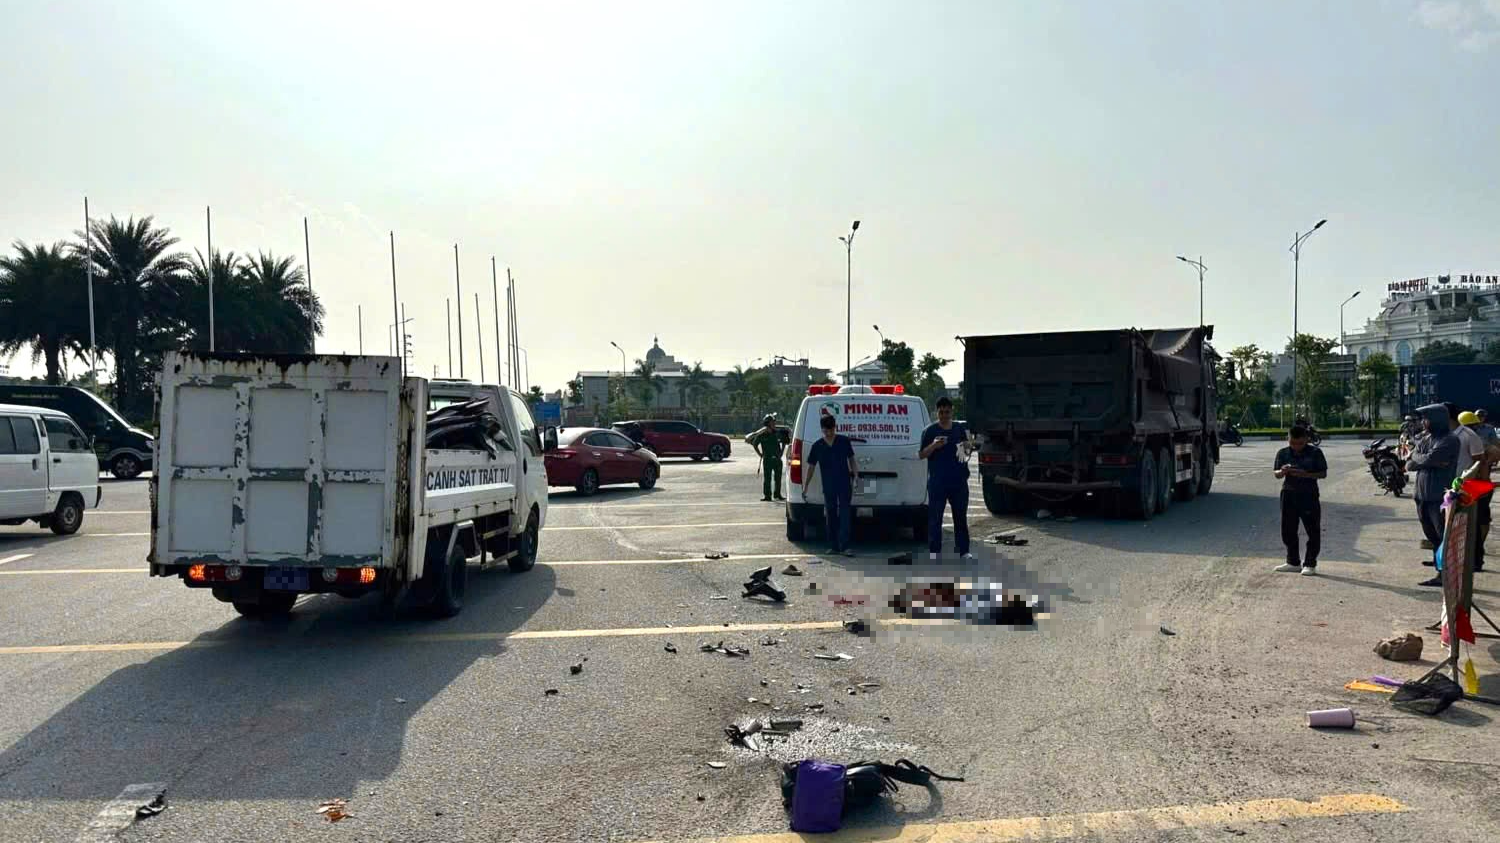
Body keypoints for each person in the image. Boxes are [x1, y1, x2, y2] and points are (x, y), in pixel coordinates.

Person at [1406, 402, 1459, 587]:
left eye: (1426, 419)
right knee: (1432, 536)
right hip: (1422, 496)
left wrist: (1422, 459)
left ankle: (1445, 574)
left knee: (1443, 536)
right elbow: (1409, 462)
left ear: (1436, 419)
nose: (1424, 423)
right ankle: (1440, 570)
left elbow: (1426, 458)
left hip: (1438, 497)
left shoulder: (1449, 440)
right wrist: (1424, 460)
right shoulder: (1427, 439)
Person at [919, 396, 974, 560]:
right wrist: (934, 445)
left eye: (947, 412)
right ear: (937, 412)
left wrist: (967, 446)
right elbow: (921, 455)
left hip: (958, 482)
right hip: (938, 482)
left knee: (960, 518)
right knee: (935, 518)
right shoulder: (930, 431)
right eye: (941, 412)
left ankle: (963, 551)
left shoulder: (958, 429)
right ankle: (935, 552)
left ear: (952, 411)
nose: (944, 415)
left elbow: (965, 454)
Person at [1273, 424, 1328, 576]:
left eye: (1300, 443)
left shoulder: (1315, 452)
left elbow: (1323, 473)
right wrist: (1282, 471)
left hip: (1308, 494)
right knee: (1288, 530)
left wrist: (1306, 474)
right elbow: (1276, 473)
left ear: (1306, 440)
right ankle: (1293, 561)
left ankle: (1310, 563)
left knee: (1312, 530)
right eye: (1292, 443)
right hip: (1288, 493)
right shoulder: (1283, 453)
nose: (1296, 446)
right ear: (1288, 439)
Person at [803, 412, 858, 557]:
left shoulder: (843, 441)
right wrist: (806, 485)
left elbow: (851, 459)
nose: (829, 433)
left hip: (844, 484)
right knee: (831, 514)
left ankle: (845, 546)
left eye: (831, 430)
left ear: (835, 427)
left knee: (845, 514)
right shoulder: (818, 446)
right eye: (826, 430)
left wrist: (856, 475)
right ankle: (833, 546)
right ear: (822, 429)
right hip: (828, 485)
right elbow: (811, 467)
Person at [1461, 409, 1493, 573]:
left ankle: (1476, 557)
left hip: (1477, 486)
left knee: (1477, 521)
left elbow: (1483, 463)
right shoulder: (1472, 438)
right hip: (1476, 485)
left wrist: (1484, 482)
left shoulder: (1476, 439)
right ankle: (1474, 554)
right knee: (1475, 521)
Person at [746, 415, 786, 502]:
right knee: (767, 478)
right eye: (772, 422)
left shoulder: (777, 433)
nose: (774, 423)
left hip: (777, 459)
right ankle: (767, 496)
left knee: (778, 478)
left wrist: (781, 453)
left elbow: (784, 441)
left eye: (774, 422)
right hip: (767, 459)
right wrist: (760, 454)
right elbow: (754, 444)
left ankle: (777, 494)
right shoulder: (762, 435)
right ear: (768, 423)